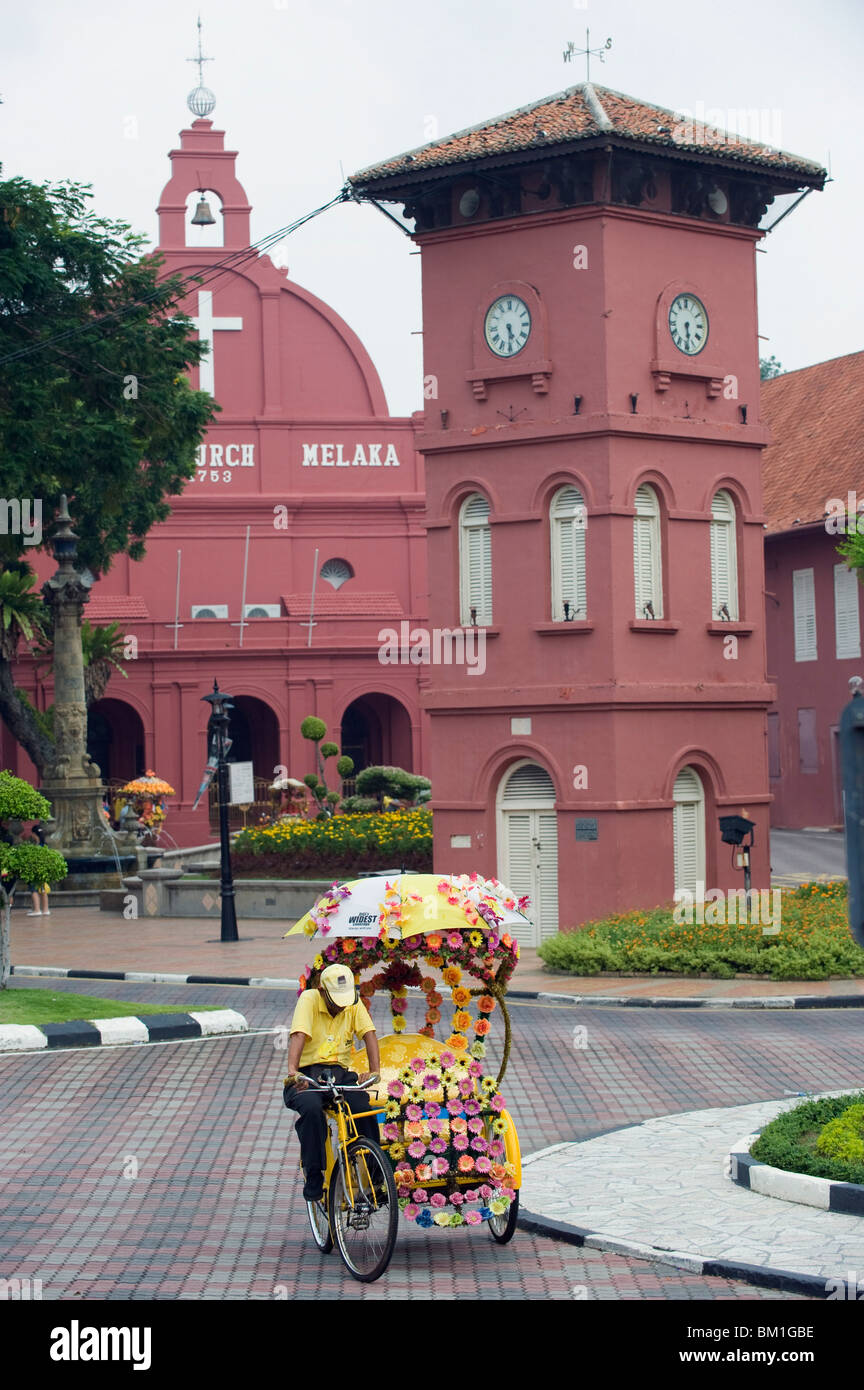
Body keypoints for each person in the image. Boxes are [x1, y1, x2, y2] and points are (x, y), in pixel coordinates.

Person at [283, 963, 381, 1202]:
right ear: (322, 990)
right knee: (312, 1110)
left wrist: (375, 1070)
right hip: (308, 1073)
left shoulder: (353, 1002)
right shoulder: (309, 999)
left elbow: (368, 1033)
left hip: (339, 1072)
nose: (340, 1005)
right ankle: (314, 1172)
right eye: (335, 1000)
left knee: (362, 1109)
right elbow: (299, 1035)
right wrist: (293, 1071)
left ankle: (376, 1172)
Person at [23, 821, 50, 917]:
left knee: (33, 890)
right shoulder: (44, 845)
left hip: (35, 871)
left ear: (34, 834)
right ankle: (46, 909)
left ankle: (37, 909)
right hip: (43, 871)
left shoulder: (36, 847)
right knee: (42, 889)